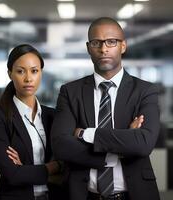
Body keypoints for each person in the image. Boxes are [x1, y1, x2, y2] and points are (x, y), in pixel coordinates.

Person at [51, 17, 160, 200]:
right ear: (88, 48)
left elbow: (143, 143)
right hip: (83, 194)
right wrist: (122, 141)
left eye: (111, 41)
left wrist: (86, 134)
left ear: (123, 46)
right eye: (96, 43)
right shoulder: (70, 91)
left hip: (134, 194)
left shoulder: (145, 91)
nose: (103, 49)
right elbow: (60, 145)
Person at [0, 44, 63, 200]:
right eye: (20, 71)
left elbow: (69, 166)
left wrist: (26, 170)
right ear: (10, 74)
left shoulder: (53, 116)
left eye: (34, 71)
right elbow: (12, 174)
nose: (28, 78)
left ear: (41, 73)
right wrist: (54, 167)